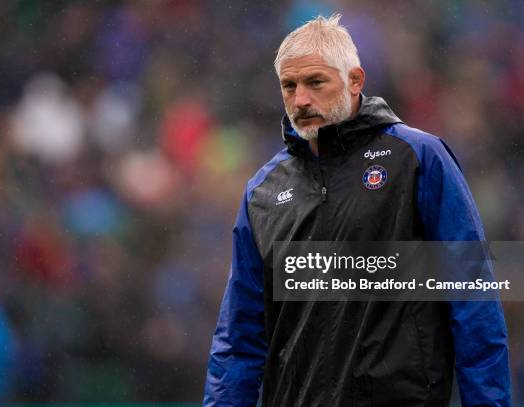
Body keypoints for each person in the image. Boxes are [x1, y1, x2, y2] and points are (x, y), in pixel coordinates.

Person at [203, 14, 511, 407]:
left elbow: (473, 303)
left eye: (316, 82)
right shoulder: (263, 192)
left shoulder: (417, 159)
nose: (300, 99)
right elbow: (239, 339)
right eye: (289, 86)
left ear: (354, 81)